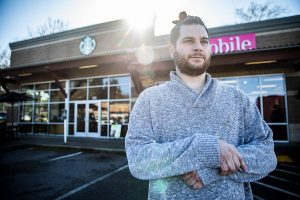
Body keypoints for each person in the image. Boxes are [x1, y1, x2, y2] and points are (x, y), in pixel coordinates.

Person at [125, 16, 277, 200]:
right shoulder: (149, 99)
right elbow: (138, 160)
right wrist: (205, 148)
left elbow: (266, 153)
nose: (198, 47)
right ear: (172, 50)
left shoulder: (236, 98)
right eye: (189, 41)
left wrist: (210, 169)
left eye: (204, 41)